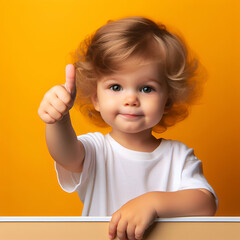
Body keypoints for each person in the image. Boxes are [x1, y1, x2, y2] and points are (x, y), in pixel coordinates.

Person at [38, 16, 218, 240]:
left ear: (167, 101)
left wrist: (152, 203)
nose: (131, 98)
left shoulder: (178, 156)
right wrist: (59, 119)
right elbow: (65, 155)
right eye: (116, 87)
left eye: (146, 88)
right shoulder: (96, 149)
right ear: (96, 98)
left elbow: (205, 203)